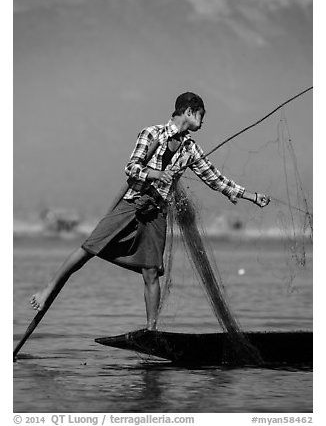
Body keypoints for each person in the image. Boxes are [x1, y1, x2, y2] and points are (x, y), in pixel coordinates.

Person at [30, 92, 270, 330]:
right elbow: (131, 167)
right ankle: (48, 289)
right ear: (188, 112)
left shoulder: (191, 149)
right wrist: (156, 174)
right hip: (132, 203)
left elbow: (216, 180)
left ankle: (151, 330)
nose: (203, 121)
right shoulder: (151, 134)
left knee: (151, 272)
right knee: (88, 248)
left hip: (156, 212)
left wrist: (252, 196)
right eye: (201, 115)